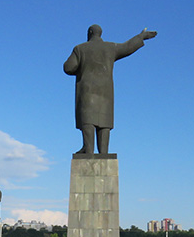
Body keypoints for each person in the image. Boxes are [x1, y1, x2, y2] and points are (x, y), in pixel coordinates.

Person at [64, 25, 157, 154]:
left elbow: (69, 67)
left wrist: (82, 67)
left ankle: (88, 150)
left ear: (89, 33)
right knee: (104, 122)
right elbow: (128, 47)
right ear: (100, 34)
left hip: (87, 91)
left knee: (88, 120)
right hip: (105, 92)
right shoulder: (111, 47)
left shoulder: (80, 48)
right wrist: (141, 36)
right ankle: (104, 153)